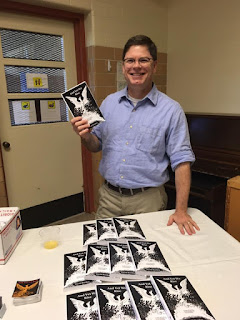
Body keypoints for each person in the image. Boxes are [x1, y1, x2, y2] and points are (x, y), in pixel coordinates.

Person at [71, 35, 200, 235]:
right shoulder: (108, 103)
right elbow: (96, 145)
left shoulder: (171, 110)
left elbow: (182, 161)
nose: (136, 66)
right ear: (123, 67)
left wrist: (181, 210)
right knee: (104, 251)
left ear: (154, 66)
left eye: (143, 60)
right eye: (130, 60)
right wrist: (86, 136)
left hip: (147, 201)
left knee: (145, 255)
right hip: (108, 198)